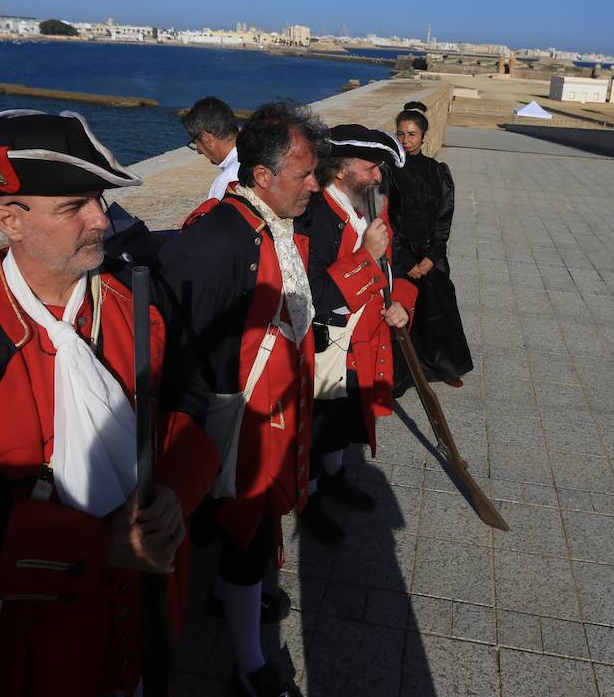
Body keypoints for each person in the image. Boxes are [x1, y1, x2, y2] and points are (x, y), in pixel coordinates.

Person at [0, 109, 218, 697]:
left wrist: (176, 491)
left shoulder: (140, 300)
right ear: (9, 220)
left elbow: (189, 394)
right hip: (37, 622)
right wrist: (105, 546)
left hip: (151, 594)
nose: (101, 218)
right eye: (74, 207)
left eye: (98, 199)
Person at [156, 101, 326, 697]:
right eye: (304, 174)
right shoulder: (216, 241)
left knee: (248, 537)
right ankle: (250, 663)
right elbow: (182, 354)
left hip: (269, 421)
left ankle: (236, 599)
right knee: (241, 535)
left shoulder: (268, 225)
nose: (315, 185)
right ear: (261, 176)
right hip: (233, 430)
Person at [294, 125, 416, 545]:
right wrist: (366, 256)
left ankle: (333, 478)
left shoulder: (370, 204)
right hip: (326, 344)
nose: (379, 176)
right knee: (314, 422)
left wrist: (401, 301)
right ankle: (306, 498)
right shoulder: (312, 216)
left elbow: (392, 267)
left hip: (366, 339)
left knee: (342, 420)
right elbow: (313, 293)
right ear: (342, 171)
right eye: (372, 167)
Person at [388, 104, 474, 386]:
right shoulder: (388, 172)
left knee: (438, 309)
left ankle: (444, 368)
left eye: (411, 134)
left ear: (424, 136)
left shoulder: (438, 171)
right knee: (403, 310)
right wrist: (406, 260)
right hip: (401, 253)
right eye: (400, 134)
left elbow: (444, 216)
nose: (405, 140)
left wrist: (432, 255)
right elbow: (389, 219)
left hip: (431, 254)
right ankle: (402, 373)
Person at [181, 95, 241, 200]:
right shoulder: (264, 155)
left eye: (195, 142)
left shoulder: (227, 182)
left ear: (206, 138)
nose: (198, 151)